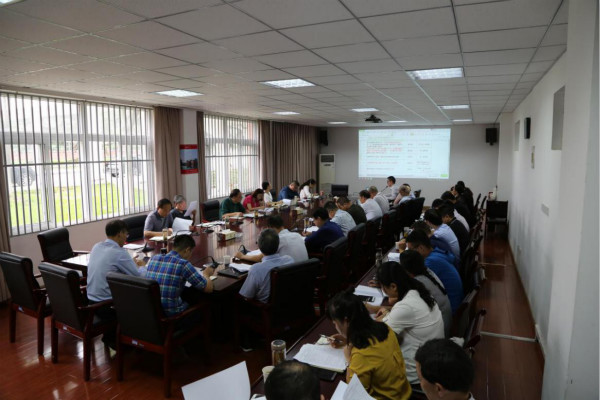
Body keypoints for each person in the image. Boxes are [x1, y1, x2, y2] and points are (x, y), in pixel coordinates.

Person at [365, 262, 444, 384]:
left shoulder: (406, 306)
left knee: (367, 361)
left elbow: (377, 335)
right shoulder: (417, 290)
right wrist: (381, 311)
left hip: (416, 373)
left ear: (393, 286)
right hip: (432, 359)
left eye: (383, 288)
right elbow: (401, 312)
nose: (383, 291)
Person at [327, 290, 412, 400]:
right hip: (404, 392)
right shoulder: (384, 328)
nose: (335, 327)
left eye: (335, 323)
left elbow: (355, 392)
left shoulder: (361, 354)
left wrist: (349, 359)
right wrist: (348, 339)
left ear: (346, 321)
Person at [87, 220, 147, 346]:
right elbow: (140, 276)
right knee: (144, 295)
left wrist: (129, 264)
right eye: (126, 234)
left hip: (90, 301)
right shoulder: (119, 253)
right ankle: (137, 338)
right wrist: (144, 266)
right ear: (120, 234)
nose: (126, 237)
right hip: (107, 306)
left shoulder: (96, 246)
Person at [145, 235, 217, 316]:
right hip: (173, 316)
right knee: (204, 302)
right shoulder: (183, 264)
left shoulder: (153, 258)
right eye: (191, 252)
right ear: (187, 250)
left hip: (153, 313)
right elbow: (208, 289)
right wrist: (206, 274)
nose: (190, 256)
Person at [406, 230, 463, 313]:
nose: (409, 253)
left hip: (451, 309)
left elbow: (415, 285)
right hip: (453, 303)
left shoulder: (430, 263)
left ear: (421, 248)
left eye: (410, 250)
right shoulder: (436, 252)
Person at [401, 250, 452, 338]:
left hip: (441, 332)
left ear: (406, 271)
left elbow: (405, 306)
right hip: (444, 322)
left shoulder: (418, 283)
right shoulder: (427, 271)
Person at [239, 229, 294, 302]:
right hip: (287, 303)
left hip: (263, 307)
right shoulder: (289, 260)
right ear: (278, 244)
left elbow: (247, 296)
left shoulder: (256, 269)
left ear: (259, 247)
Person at [235, 215, 308, 263]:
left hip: (290, 276)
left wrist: (242, 256)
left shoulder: (278, 239)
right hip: (305, 274)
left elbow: (260, 258)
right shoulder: (297, 235)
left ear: (271, 227)